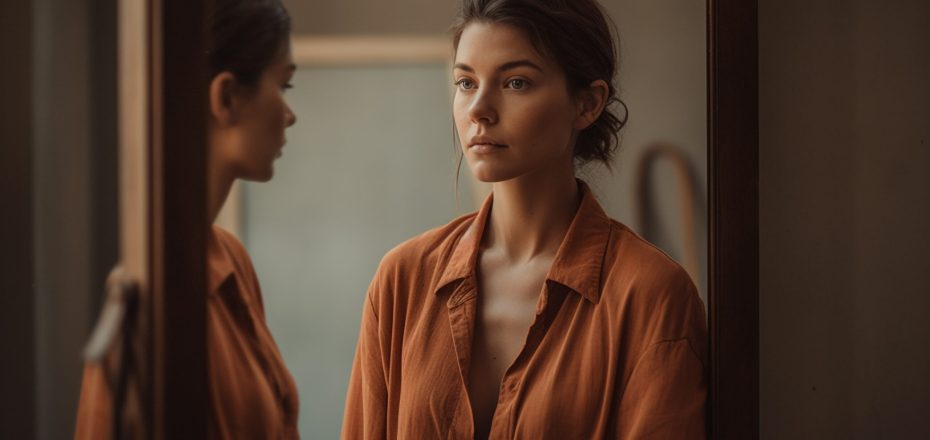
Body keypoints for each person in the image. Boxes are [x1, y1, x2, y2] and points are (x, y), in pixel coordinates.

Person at [341, 0, 707, 438]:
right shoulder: (401, 281)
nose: (479, 109)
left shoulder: (649, 294)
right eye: (465, 82)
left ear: (587, 104)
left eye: (516, 82)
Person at [74, 0, 300, 438]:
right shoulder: (148, 289)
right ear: (227, 97)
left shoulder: (232, 261)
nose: (290, 115)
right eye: (284, 86)